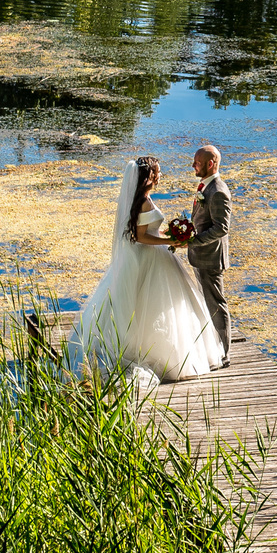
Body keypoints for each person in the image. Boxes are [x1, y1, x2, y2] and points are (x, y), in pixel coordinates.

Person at [64, 155, 224, 386]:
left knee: (150, 305)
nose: (160, 176)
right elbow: (140, 236)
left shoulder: (143, 198)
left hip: (149, 255)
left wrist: (169, 236)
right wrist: (169, 241)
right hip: (148, 257)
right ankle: (154, 354)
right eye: (157, 173)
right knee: (148, 304)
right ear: (149, 177)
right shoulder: (142, 202)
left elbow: (146, 231)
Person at [186, 143, 236, 367]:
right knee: (207, 303)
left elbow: (221, 228)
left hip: (210, 258)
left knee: (216, 304)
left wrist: (193, 240)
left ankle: (224, 354)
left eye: (197, 161)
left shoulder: (217, 191)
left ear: (210, 163)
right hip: (201, 256)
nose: (193, 165)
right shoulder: (206, 187)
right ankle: (212, 347)